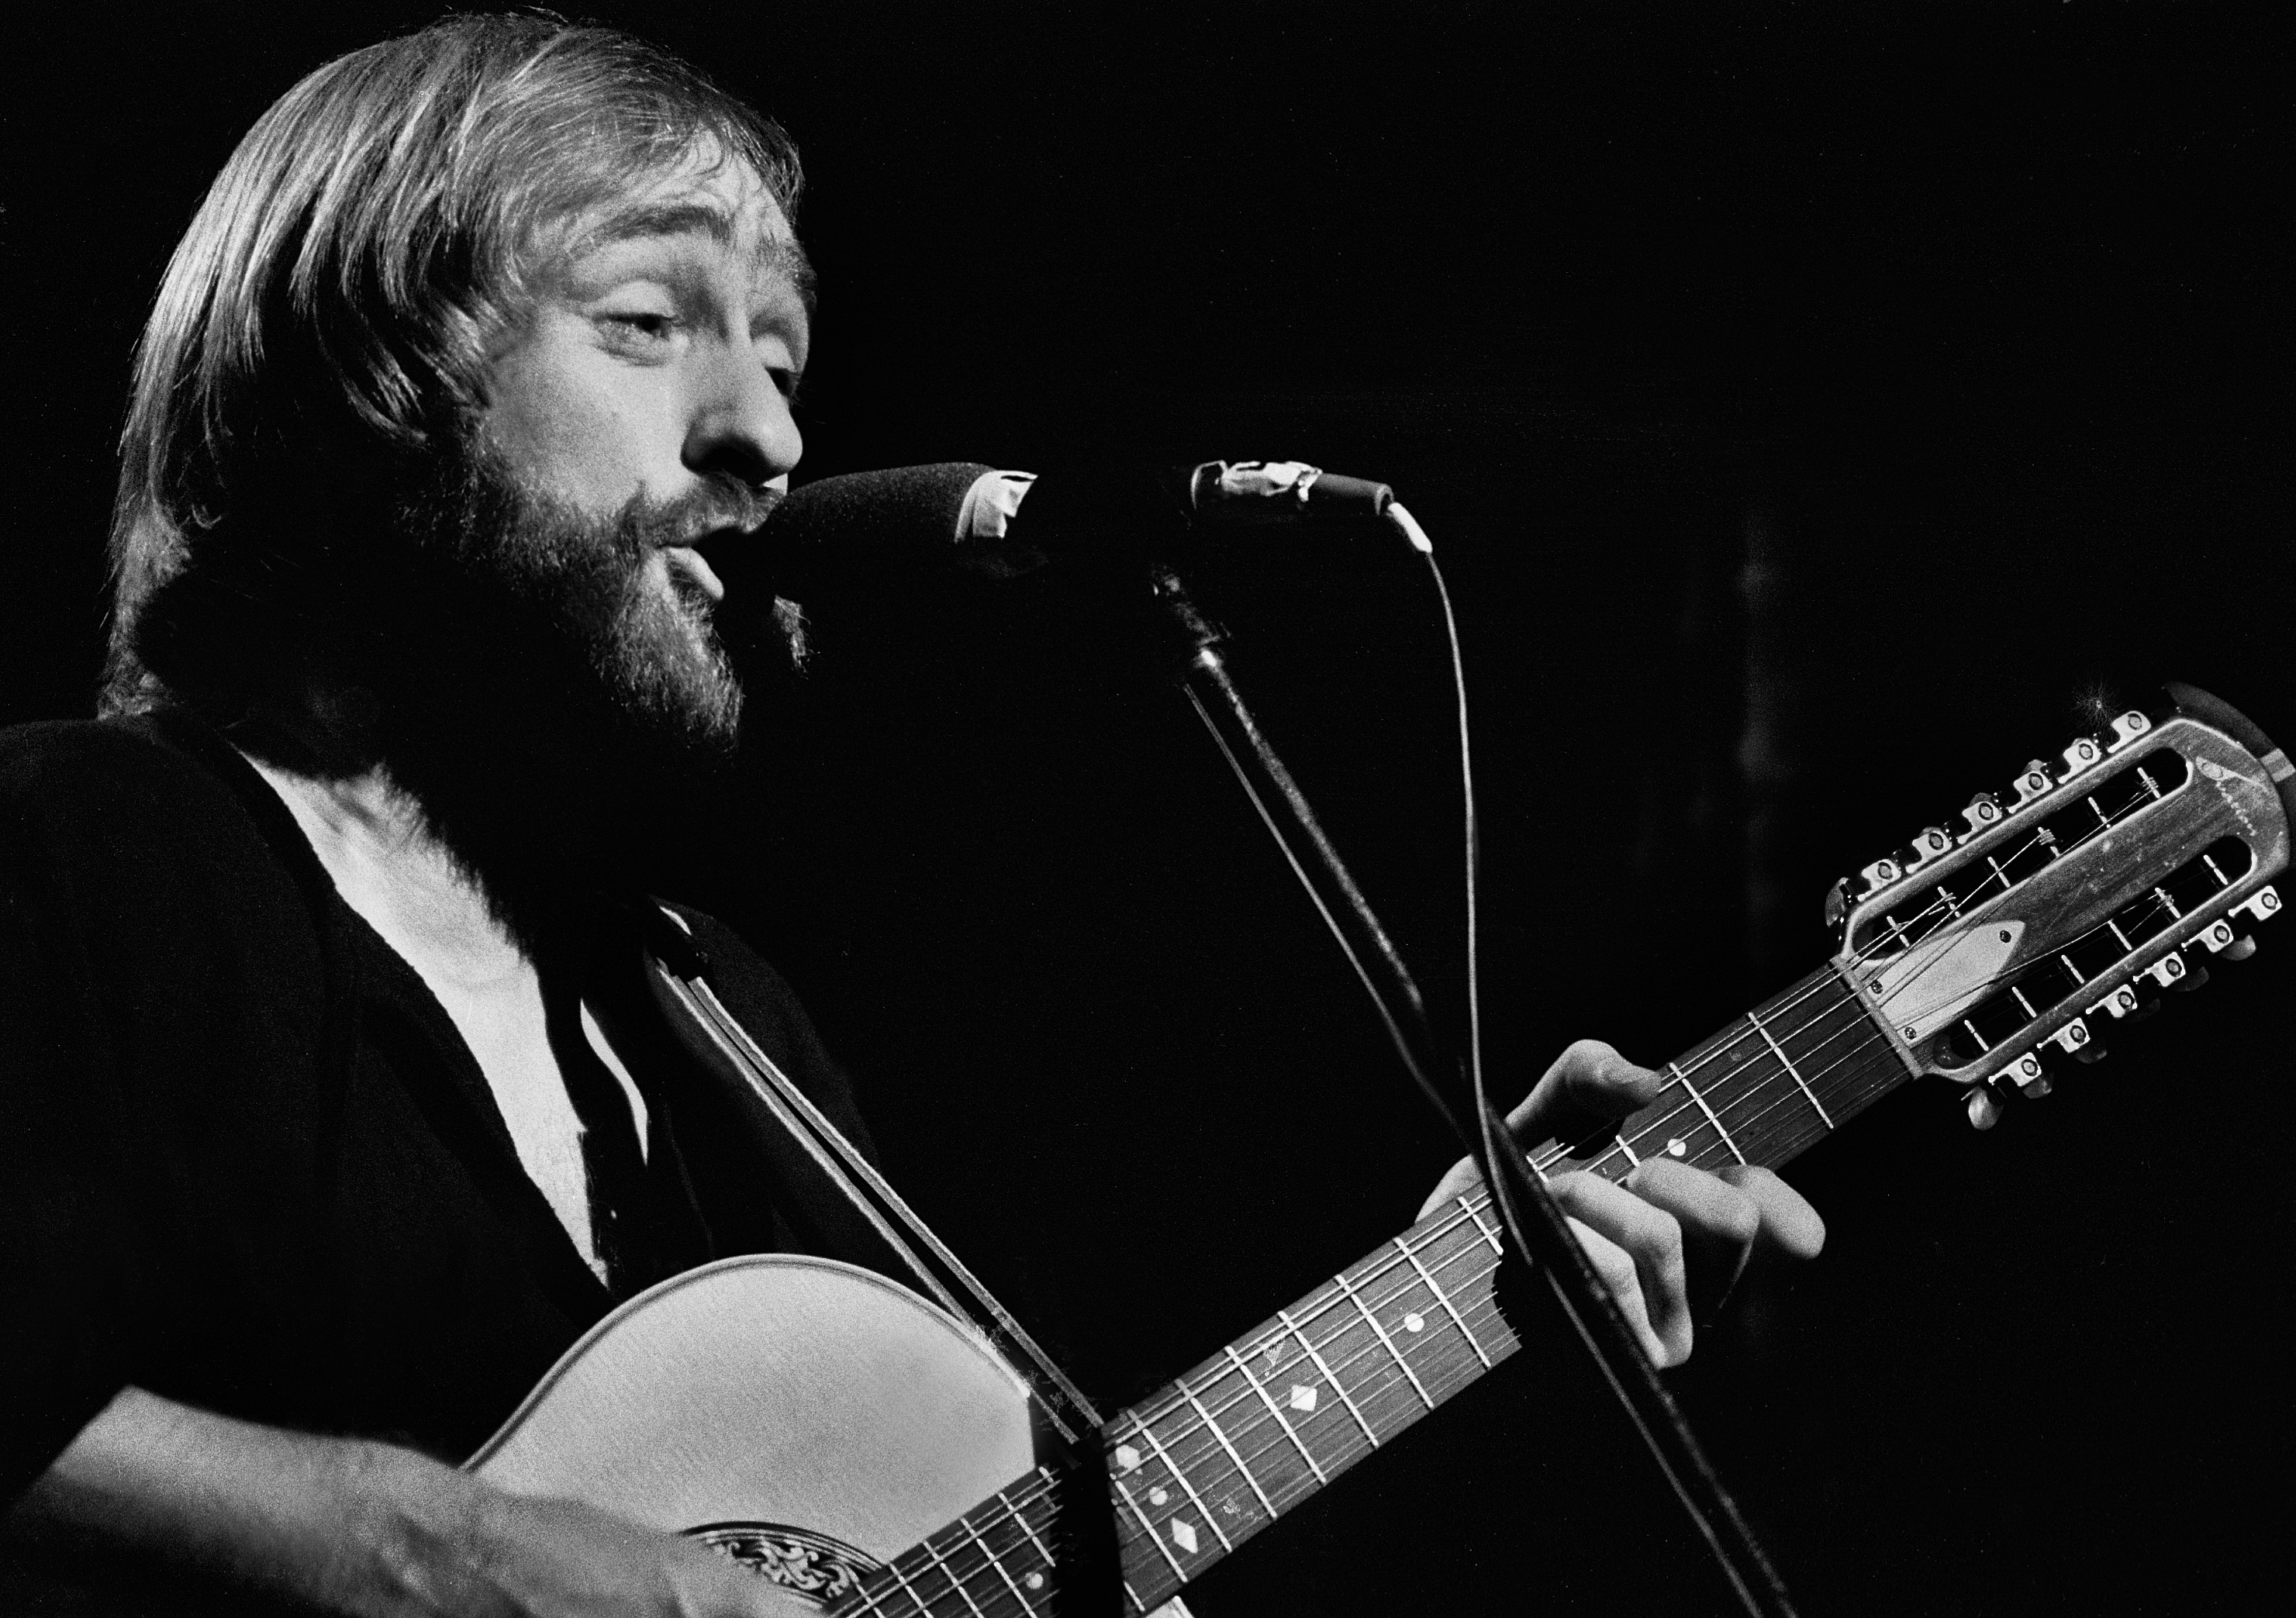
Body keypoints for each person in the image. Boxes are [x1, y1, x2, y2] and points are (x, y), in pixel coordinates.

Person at [0, 15, 1821, 1615]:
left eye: (782, 361)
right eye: (650, 322)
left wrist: (1459, 1298)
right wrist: (420, 1550)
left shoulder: (720, 1030)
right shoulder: (92, 851)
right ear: (357, 396)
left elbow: (1021, 1550)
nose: (767, 442)